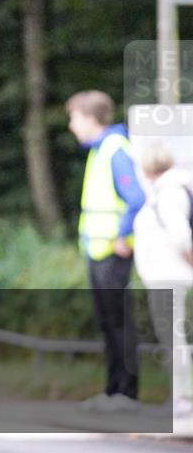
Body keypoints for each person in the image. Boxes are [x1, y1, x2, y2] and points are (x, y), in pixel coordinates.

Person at [66, 90, 146, 412]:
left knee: (119, 323)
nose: (72, 126)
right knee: (107, 323)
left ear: (89, 118)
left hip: (112, 252)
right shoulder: (99, 151)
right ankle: (113, 391)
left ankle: (126, 394)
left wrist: (123, 236)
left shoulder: (114, 150)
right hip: (98, 251)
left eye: (74, 118)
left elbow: (136, 197)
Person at [133, 142, 193, 417]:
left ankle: (183, 398)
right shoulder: (165, 190)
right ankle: (181, 396)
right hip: (163, 274)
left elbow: (180, 235)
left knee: (173, 338)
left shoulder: (168, 192)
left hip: (168, 274)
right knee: (172, 336)